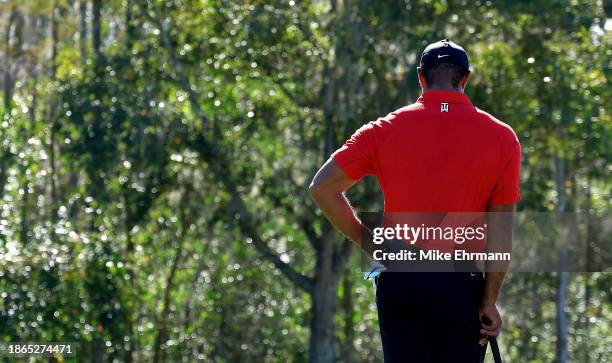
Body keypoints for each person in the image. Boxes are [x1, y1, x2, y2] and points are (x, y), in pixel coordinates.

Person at [309, 39, 521, 362]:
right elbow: (501, 234)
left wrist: (370, 243)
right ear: (465, 79)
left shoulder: (383, 130)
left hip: (401, 278)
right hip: (460, 285)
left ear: (420, 77)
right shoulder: (503, 138)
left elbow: (322, 187)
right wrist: (489, 301)